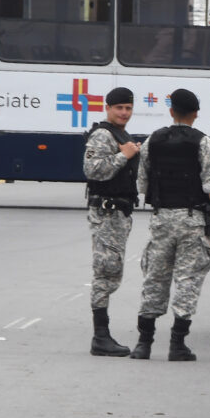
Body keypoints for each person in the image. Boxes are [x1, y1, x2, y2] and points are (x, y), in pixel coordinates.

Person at [130, 89, 210, 362]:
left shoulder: (153, 140)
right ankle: (177, 344)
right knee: (187, 281)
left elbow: (142, 183)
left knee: (154, 279)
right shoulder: (202, 142)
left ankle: (143, 344)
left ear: (171, 111)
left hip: (161, 219)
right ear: (196, 113)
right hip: (192, 220)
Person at [84, 87, 140, 357]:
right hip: (106, 214)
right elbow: (92, 169)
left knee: (113, 271)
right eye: (119, 108)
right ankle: (100, 337)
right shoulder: (102, 134)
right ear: (108, 108)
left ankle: (102, 336)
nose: (124, 113)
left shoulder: (122, 135)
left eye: (128, 108)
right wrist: (124, 155)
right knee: (104, 271)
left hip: (119, 215)